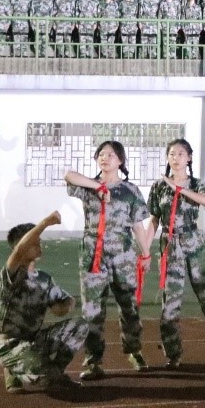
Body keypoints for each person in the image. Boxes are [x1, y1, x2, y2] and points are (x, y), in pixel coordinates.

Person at [64, 140, 152, 379]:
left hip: (123, 256)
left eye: (111, 155)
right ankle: (93, 361)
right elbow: (68, 175)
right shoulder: (88, 186)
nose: (105, 158)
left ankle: (134, 351)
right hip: (93, 256)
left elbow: (138, 226)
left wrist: (146, 253)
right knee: (92, 310)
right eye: (101, 154)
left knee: (129, 307)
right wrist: (98, 186)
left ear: (120, 161)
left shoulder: (130, 191)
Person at [147, 139, 205, 367]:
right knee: (170, 301)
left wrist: (179, 188)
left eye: (180, 154)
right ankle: (173, 353)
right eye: (172, 154)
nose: (175, 158)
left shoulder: (197, 184)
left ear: (189, 158)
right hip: (169, 244)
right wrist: (145, 249)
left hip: (193, 242)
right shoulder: (159, 186)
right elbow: (154, 219)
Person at [0, 211, 88, 394]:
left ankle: (56, 372)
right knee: (43, 377)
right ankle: (14, 369)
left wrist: (67, 304)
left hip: (36, 341)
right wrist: (46, 222)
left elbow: (62, 305)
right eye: (34, 242)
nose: (40, 245)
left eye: (39, 241)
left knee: (80, 326)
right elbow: (19, 250)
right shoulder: (12, 275)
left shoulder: (45, 279)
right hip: (11, 345)